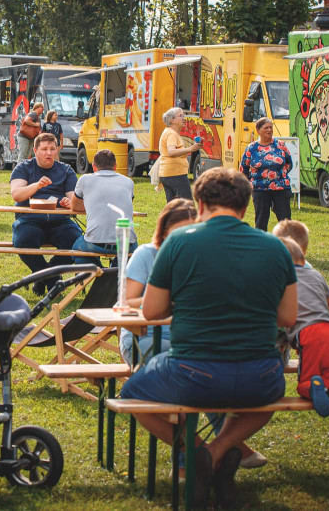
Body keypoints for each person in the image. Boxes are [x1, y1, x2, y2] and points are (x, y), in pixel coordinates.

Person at [119, 168, 297, 507]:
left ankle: (198, 453)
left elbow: (151, 312)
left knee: (131, 396)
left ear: (199, 204)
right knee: (267, 403)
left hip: (192, 373)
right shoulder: (276, 248)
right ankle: (220, 451)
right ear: (245, 208)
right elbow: (288, 316)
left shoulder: (178, 242)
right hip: (261, 377)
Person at [276, 228, 329, 418]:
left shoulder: (280, 279)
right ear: (303, 258)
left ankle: (313, 388)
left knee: (306, 383)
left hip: (309, 334)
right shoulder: (316, 275)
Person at [118, 198, 196, 364]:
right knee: (175, 359)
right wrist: (162, 299)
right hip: (144, 335)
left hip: (186, 337)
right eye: (178, 232)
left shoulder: (198, 258)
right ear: (165, 231)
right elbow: (125, 302)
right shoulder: (147, 254)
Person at [9, 133, 80, 291]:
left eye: (52, 149)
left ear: (57, 150)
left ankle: (42, 277)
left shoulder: (66, 170)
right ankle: (52, 279)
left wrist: (69, 202)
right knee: (23, 241)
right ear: (35, 150)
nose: (49, 153)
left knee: (77, 243)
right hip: (30, 219)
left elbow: (73, 199)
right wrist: (36, 186)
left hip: (60, 221)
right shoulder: (24, 167)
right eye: (44, 149)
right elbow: (16, 194)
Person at [68, 149, 136, 266]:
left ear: (94, 167)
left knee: (77, 248)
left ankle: (99, 272)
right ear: (115, 166)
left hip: (96, 242)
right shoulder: (128, 182)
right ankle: (112, 272)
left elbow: (74, 207)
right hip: (127, 243)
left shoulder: (84, 179)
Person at [240, 116, 293, 231]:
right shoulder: (251, 148)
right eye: (266, 128)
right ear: (258, 130)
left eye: (271, 127)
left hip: (280, 188)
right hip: (259, 189)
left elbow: (289, 163)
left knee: (285, 221)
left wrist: (279, 175)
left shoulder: (280, 145)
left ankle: (288, 245)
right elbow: (244, 167)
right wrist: (248, 182)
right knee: (261, 221)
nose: (269, 130)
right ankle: (260, 245)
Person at [158, 107, 200, 202]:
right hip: (175, 174)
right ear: (172, 120)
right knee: (187, 204)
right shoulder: (172, 134)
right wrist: (191, 149)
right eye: (181, 116)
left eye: (184, 115)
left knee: (173, 206)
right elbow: (171, 152)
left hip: (168, 173)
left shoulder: (169, 132)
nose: (184, 118)